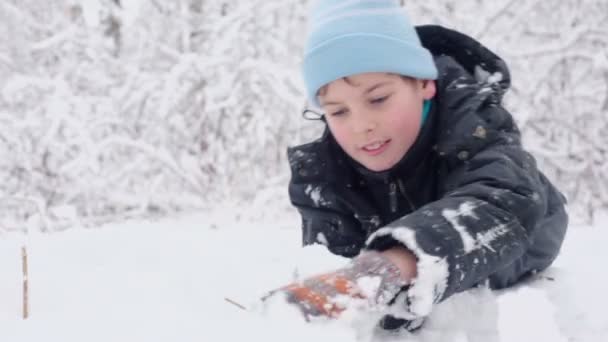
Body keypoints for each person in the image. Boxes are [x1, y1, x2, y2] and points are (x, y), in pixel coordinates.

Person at [266, 0, 568, 331]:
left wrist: (395, 263)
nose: (361, 125)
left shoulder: (475, 127)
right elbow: (342, 284)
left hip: (519, 244)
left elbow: (505, 201)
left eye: (378, 99)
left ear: (425, 83)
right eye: (339, 112)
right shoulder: (323, 177)